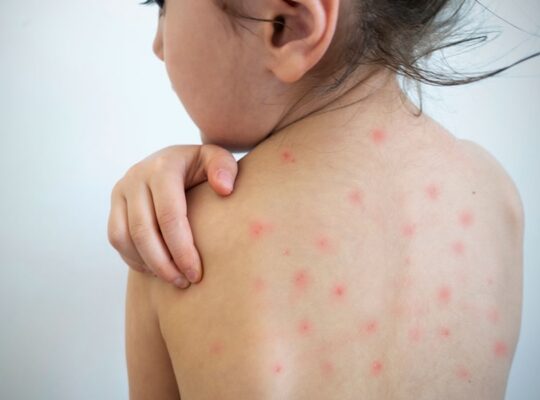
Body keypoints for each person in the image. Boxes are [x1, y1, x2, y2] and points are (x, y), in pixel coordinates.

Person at [107, 0, 536, 398]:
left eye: (164, 5)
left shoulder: (175, 241)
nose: (158, 46)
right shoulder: (496, 197)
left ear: (287, 27)